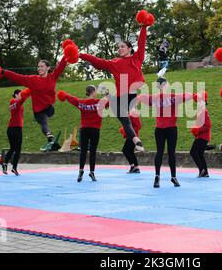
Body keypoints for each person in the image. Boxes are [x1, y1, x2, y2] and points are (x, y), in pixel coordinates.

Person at [79, 11, 153, 153]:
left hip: (130, 95)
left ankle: (136, 140)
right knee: (125, 121)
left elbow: (142, 42)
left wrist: (144, 26)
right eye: (118, 47)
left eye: (122, 47)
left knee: (126, 119)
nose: (119, 49)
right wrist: (81, 55)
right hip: (119, 98)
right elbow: (98, 61)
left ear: (130, 49)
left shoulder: (137, 58)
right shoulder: (114, 62)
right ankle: (136, 140)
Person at [137, 77, 195, 188]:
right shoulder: (172, 97)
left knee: (160, 152)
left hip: (161, 129)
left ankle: (158, 177)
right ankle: (172, 177)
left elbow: (141, 97)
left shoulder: (155, 98)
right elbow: (188, 96)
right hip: (170, 128)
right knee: (170, 153)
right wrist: (195, 95)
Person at [0, 57, 69, 144]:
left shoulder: (52, 77)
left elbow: (61, 66)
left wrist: (66, 55)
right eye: (38, 67)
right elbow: (18, 77)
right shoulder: (32, 79)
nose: (39, 69)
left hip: (49, 108)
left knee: (48, 114)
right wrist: (3, 72)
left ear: (48, 68)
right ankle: (49, 135)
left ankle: (49, 134)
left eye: (42, 66)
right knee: (43, 123)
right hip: (38, 110)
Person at [58, 85, 109, 182]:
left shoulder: (82, 103)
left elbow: (71, 98)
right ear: (93, 92)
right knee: (93, 151)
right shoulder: (99, 102)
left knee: (83, 151)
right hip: (95, 129)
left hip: (84, 129)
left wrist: (63, 95)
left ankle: (81, 170)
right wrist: (106, 92)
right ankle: (92, 172)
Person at [1, 89, 30, 176]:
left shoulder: (15, 103)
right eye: (20, 94)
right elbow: (21, 101)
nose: (21, 95)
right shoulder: (14, 102)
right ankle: (13, 167)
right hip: (16, 128)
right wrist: (27, 94)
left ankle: (6, 164)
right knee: (17, 149)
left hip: (12, 128)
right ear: (16, 95)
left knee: (13, 148)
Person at [190, 100, 212, 178]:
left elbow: (208, 125)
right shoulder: (202, 112)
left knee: (193, 152)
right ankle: (205, 171)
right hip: (202, 137)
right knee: (199, 153)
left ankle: (202, 169)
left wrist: (198, 130)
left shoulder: (204, 112)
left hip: (202, 137)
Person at [120, 108, 142, 174]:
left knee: (125, 150)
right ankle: (135, 167)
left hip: (132, 136)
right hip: (132, 135)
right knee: (130, 151)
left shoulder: (132, 112)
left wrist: (128, 131)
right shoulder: (130, 112)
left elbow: (138, 126)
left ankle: (133, 166)